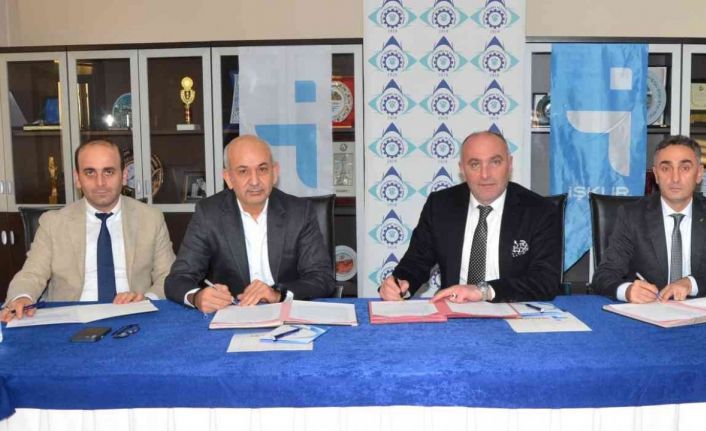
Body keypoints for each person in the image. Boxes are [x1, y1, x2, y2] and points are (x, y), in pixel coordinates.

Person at [1, 140, 175, 322]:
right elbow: (32, 274)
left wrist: (145, 299)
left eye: (109, 172)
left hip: (132, 316)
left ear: (124, 176)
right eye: (90, 172)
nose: (100, 183)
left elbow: (168, 276)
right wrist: (22, 297)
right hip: (70, 320)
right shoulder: (53, 223)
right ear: (77, 178)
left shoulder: (151, 218)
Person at [379, 131, 561, 303]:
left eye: (495, 162)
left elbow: (545, 281)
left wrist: (483, 291)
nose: (485, 174)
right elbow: (416, 262)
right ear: (462, 169)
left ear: (509, 164)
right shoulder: (440, 205)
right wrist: (400, 284)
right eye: (474, 164)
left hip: (512, 311)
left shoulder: (540, 211)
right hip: (454, 311)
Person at [164, 135, 335, 311]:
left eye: (262, 169)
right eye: (243, 171)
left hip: (285, 313)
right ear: (228, 178)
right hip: (231, 314)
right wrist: (197, 297)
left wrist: (278, 294)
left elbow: (322, 278)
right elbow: (177, 279)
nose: (254, 181)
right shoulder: (209, 214)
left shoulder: (299, 212)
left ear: (274, 172)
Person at [592, 135, 706, 303]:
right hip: (649, 312)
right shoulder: (632, 216)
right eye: (666, 169)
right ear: (656, 175)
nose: (675, 178)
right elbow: (603, 275)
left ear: (699, 173)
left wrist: (691, 284)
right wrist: (627, 291)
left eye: (685, 168)